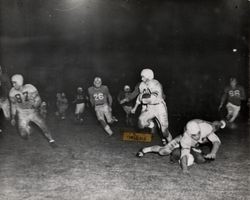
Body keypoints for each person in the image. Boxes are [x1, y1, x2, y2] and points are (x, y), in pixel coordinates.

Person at [136, 119, 226, 173]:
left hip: (195, 144)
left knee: (201, 160)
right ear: (189, 134)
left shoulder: (206, 128)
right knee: (163, 151)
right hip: (181, 140)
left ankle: (222, 123)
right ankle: (144, 149)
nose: (198, 136)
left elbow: (216, 141)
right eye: (194, 135)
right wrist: (185, 169)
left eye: (198, 133)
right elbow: (184, 154)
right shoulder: (185, 138)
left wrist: (213, 152)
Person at [9, 74, 55, 145]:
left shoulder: (30, 88)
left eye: (14, 82)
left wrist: (35, 105)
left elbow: (39, 99)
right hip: (22, 113)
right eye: (12, 83)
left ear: (19, 82)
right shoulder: (12, 92)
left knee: (43, 126)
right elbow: (13, 105)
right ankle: (29, 129)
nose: (13, 85)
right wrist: (13, 117)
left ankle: (51, 140)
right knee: (23, 135)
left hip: (32, 111)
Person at [131, 68, 172, 144]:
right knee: (141, 123)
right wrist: (139, 108)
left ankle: (170, 144)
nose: (141, 78)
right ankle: (152, 125)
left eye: (143, 76)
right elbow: (140, 97)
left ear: (148, 76)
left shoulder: (155, 83)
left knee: (164, 132)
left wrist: (143, 97)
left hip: (159, 107)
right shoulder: (142, 85)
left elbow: (153, 97)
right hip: (150, 107)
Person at [0, 65, 11, 133]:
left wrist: (6, 96)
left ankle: (6, 125)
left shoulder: (5, 77)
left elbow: (9, 87)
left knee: (7, 116)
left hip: (4, 99)